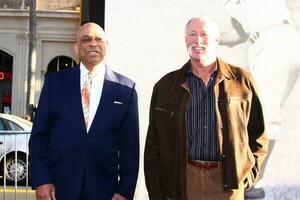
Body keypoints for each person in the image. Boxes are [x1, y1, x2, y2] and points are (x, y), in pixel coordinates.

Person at [144, 16, 269, 200]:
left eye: (204, 35)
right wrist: (157, 193)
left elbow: (258, 137)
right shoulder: (165, 87)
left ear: (217, 40)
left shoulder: (242, 81)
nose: (198, 40)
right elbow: (153, 146)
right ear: (185, 39)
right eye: (192, 34)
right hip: (184, 183)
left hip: (227, 186)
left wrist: (247, 176)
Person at [29, 22, 139, 200]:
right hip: (59, 187)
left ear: (106, 46)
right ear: (76, 48)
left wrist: (124, 191)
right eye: (86, 39)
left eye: (98, 39)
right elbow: (39, 137)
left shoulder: (126, 89)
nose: (93, 43)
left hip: (105, 189)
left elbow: (130, 147)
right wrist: (41, 180)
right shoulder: (54, 83)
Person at [221, 0, 300, 198]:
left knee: (265, 117)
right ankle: (252, 181)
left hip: (273, 46)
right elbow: (239, 34)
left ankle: (252, 183)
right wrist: (214, 38)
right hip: (289, 41)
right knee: (265, 114)